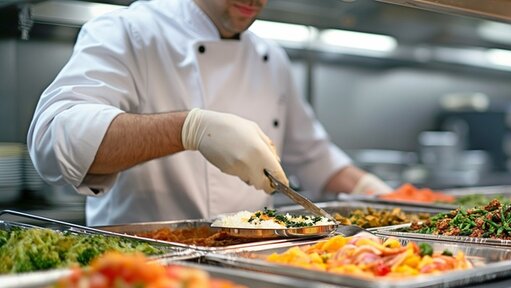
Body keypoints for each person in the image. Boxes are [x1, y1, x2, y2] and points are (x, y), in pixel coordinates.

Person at [28, 0, 392, 226]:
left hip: (253, 261)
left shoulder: (272, 58)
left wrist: (387, 198)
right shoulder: (129, 31)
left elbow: (315, 158)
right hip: (142, 266)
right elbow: (52, 141)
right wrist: (189, 129)